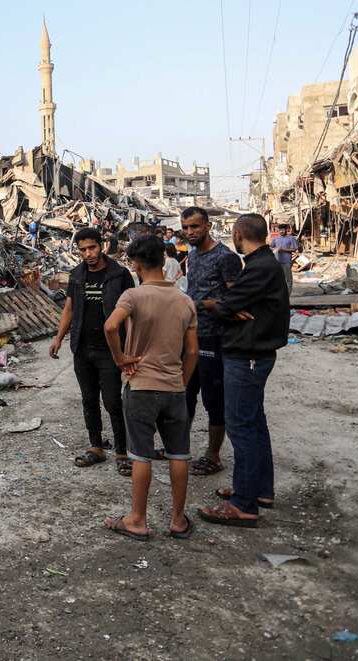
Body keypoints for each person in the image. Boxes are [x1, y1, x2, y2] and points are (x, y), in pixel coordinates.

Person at [101, 236, 200, 541]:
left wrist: (121, 359)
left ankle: (137, 520)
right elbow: (193, 351)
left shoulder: (133, 296)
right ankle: (178, 520)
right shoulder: (185, 300)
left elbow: (110, 326)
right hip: (173, 388)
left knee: (141, 455)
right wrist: (181, 382)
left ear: (137, 264)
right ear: (162, 259)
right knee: (179, 454)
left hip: (141, 385)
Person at [196, 213, 290, 528]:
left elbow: (225, 305)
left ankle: (244, 505)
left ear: (238, 234)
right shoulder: (262, 265)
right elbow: (231, 304)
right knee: (254, 423)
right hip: (251, 353)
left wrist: (216, 305)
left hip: (247, 355)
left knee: (241, 427)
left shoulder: (260, 267)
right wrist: (226, 306)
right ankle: (258, 490)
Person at [49, 227, 136, 476]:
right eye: (83, 249)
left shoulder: (120, 275)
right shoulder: (77, 275)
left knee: (112, 401)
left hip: (110, 350)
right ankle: (96, 447)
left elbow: (131, 312)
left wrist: (130, 345)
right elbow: (69, 309)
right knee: (89, 400)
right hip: (83, 348)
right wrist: (58, 338)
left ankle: (121, 451)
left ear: (102, 246)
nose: (88, 254)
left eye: (92, 248)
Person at [180, 206, 242, 477]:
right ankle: (179, 446)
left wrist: (206, 304)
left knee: (214, 399)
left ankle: (213, 456)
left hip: (215, 338)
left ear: (208, 226)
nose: (190, 232)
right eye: (186, 228)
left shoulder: (225, 257)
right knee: (186, 394)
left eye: (195, 226)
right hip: (190, 334)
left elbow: (236, 300)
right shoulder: (192, 255)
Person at [270, 224, 300, 295]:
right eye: (280, 230)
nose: (281, 231)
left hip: (286, 261)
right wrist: (273, 249)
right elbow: (271, 247)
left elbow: (294, 249)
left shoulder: (291, 238)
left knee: (288, 279)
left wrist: (283, 249)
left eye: (283, 230)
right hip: (277, 261)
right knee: (278, 279)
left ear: (286, 230)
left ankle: (288, 294)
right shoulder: (276, 239)